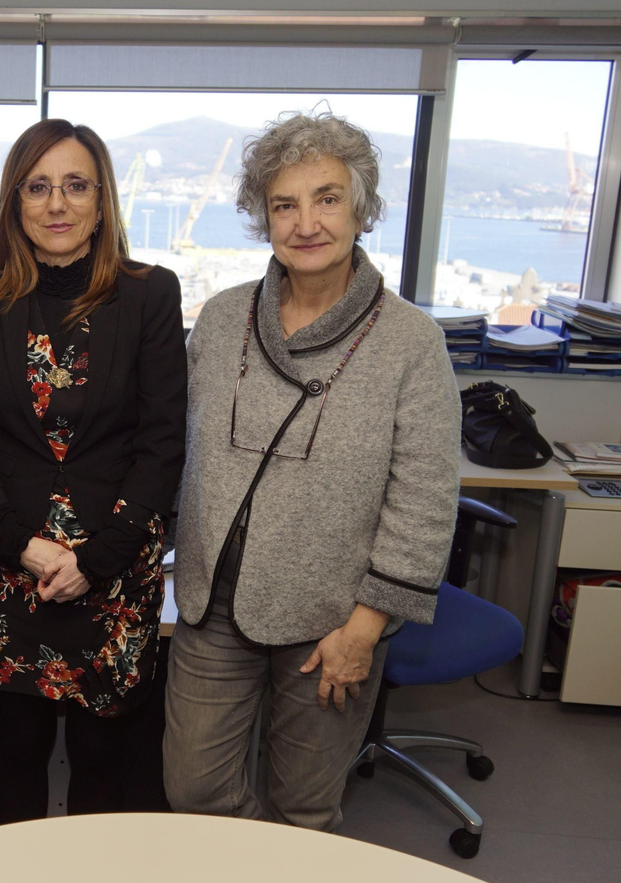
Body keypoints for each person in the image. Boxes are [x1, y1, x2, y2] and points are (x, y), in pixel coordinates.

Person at [163, 109, 459, 831]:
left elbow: (424, 500)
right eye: (284, 204)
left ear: (360, 209)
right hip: (214, 601)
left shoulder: (411, 342)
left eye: (326, 198)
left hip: (332, 612)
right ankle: (250, 880)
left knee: (303, 809)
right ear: (263, 218)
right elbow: (178, 450)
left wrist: (365, 628)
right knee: (193, 790)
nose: (306, 223)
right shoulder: (222, 320)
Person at [0, 119, 187, 826]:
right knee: (11, 762)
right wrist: (20, 544)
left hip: (114, 572)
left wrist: (97, 560)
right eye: (38, 187)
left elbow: (162, 442)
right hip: (12, 566)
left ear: (102, 201)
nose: (57, 203)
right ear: (14, 201)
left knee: (106, 766)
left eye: (76, 185)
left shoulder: (150, 294)